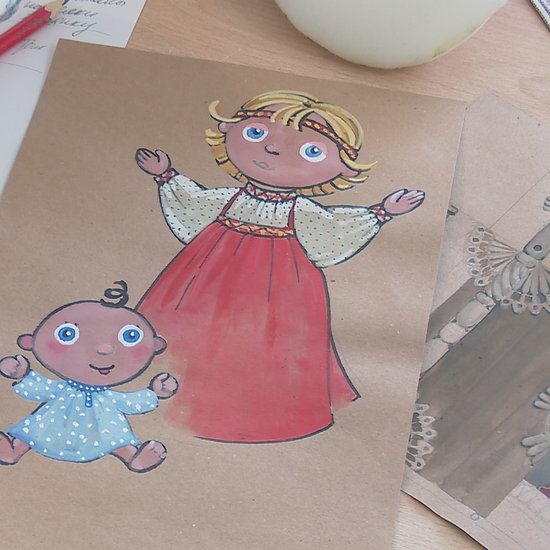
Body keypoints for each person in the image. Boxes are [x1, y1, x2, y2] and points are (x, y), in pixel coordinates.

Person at [135, 90, 424, 443]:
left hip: (279, 287)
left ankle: (243, 412)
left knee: (266, 346)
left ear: (344, 168)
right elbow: (194, 205)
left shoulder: (300, 212)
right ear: (227, 130)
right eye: (256, 133)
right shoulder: (228, 199)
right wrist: (165, 176)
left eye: (311, 151)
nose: (273, 148)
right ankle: (155, 393)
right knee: (189, 331)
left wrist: (382, 212)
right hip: (207, 276)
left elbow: (333, 230)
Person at [0, 281, 178, 473]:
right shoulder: (62, 390)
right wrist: (23, 375)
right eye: (67, 334)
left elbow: (129, 401)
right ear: (31, 342)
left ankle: (133, 458)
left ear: (156, 346)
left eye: (130, 336)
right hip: (51, 431)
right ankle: (13, 451)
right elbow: (42, 389)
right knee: (32, 432)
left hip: (98, 438)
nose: (103, 349)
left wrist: (153, 393)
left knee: (115, 438)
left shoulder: (107, 398)